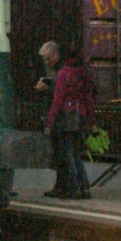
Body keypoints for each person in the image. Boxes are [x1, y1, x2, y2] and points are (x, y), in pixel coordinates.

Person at [43, 47, 97, 200]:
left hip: (66, 117)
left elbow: (58, 100)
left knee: (68, 155)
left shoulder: (64, 74)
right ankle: (84, 188)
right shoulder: (83, 73)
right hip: (81, 116)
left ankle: (74, 189)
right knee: (76, 154)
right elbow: (89, 98)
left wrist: (49, 123)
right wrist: (92, 121)